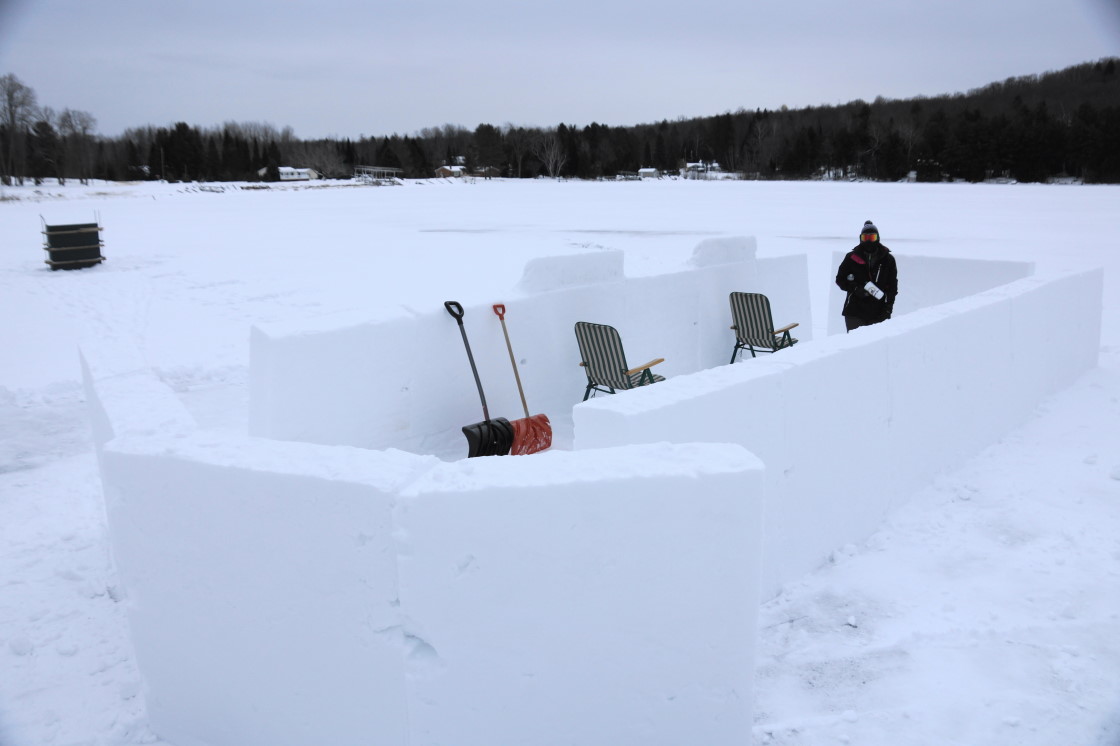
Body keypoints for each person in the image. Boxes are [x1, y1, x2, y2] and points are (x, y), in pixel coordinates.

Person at [835, 220, 898, 332]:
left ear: (878, 238)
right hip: (854, 311)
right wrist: (855, 288)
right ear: (860, 238)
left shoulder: (888, 260)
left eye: (872, 237)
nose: (869, 241)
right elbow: (840, 279)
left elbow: (892, 288)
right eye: (865, 238)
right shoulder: (851, 258)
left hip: (879, 312)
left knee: (876, 347)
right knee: (855, 345)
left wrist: (888, 310)